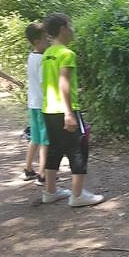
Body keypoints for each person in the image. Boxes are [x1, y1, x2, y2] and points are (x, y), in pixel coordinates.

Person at [41, 12, 104, 207]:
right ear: (63, 28)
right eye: (70, 26)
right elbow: (63, 82)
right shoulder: (66, 53)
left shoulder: (48, 53)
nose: (72, 29)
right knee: (78, 149)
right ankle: (77, 195)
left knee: (54, 149)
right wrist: (69, 113)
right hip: (64, 110)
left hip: (49, 109)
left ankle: (50, 191)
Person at [22, 22, 50, 184]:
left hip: (33, 103)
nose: (49, 41)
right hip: (42, 104)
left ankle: (28, 169)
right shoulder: (42, 59)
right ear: (37, 41)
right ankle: (42, 174)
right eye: (46, 38)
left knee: (35, 137)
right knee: (46, 140)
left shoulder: (31, 56)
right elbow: (43, 83)